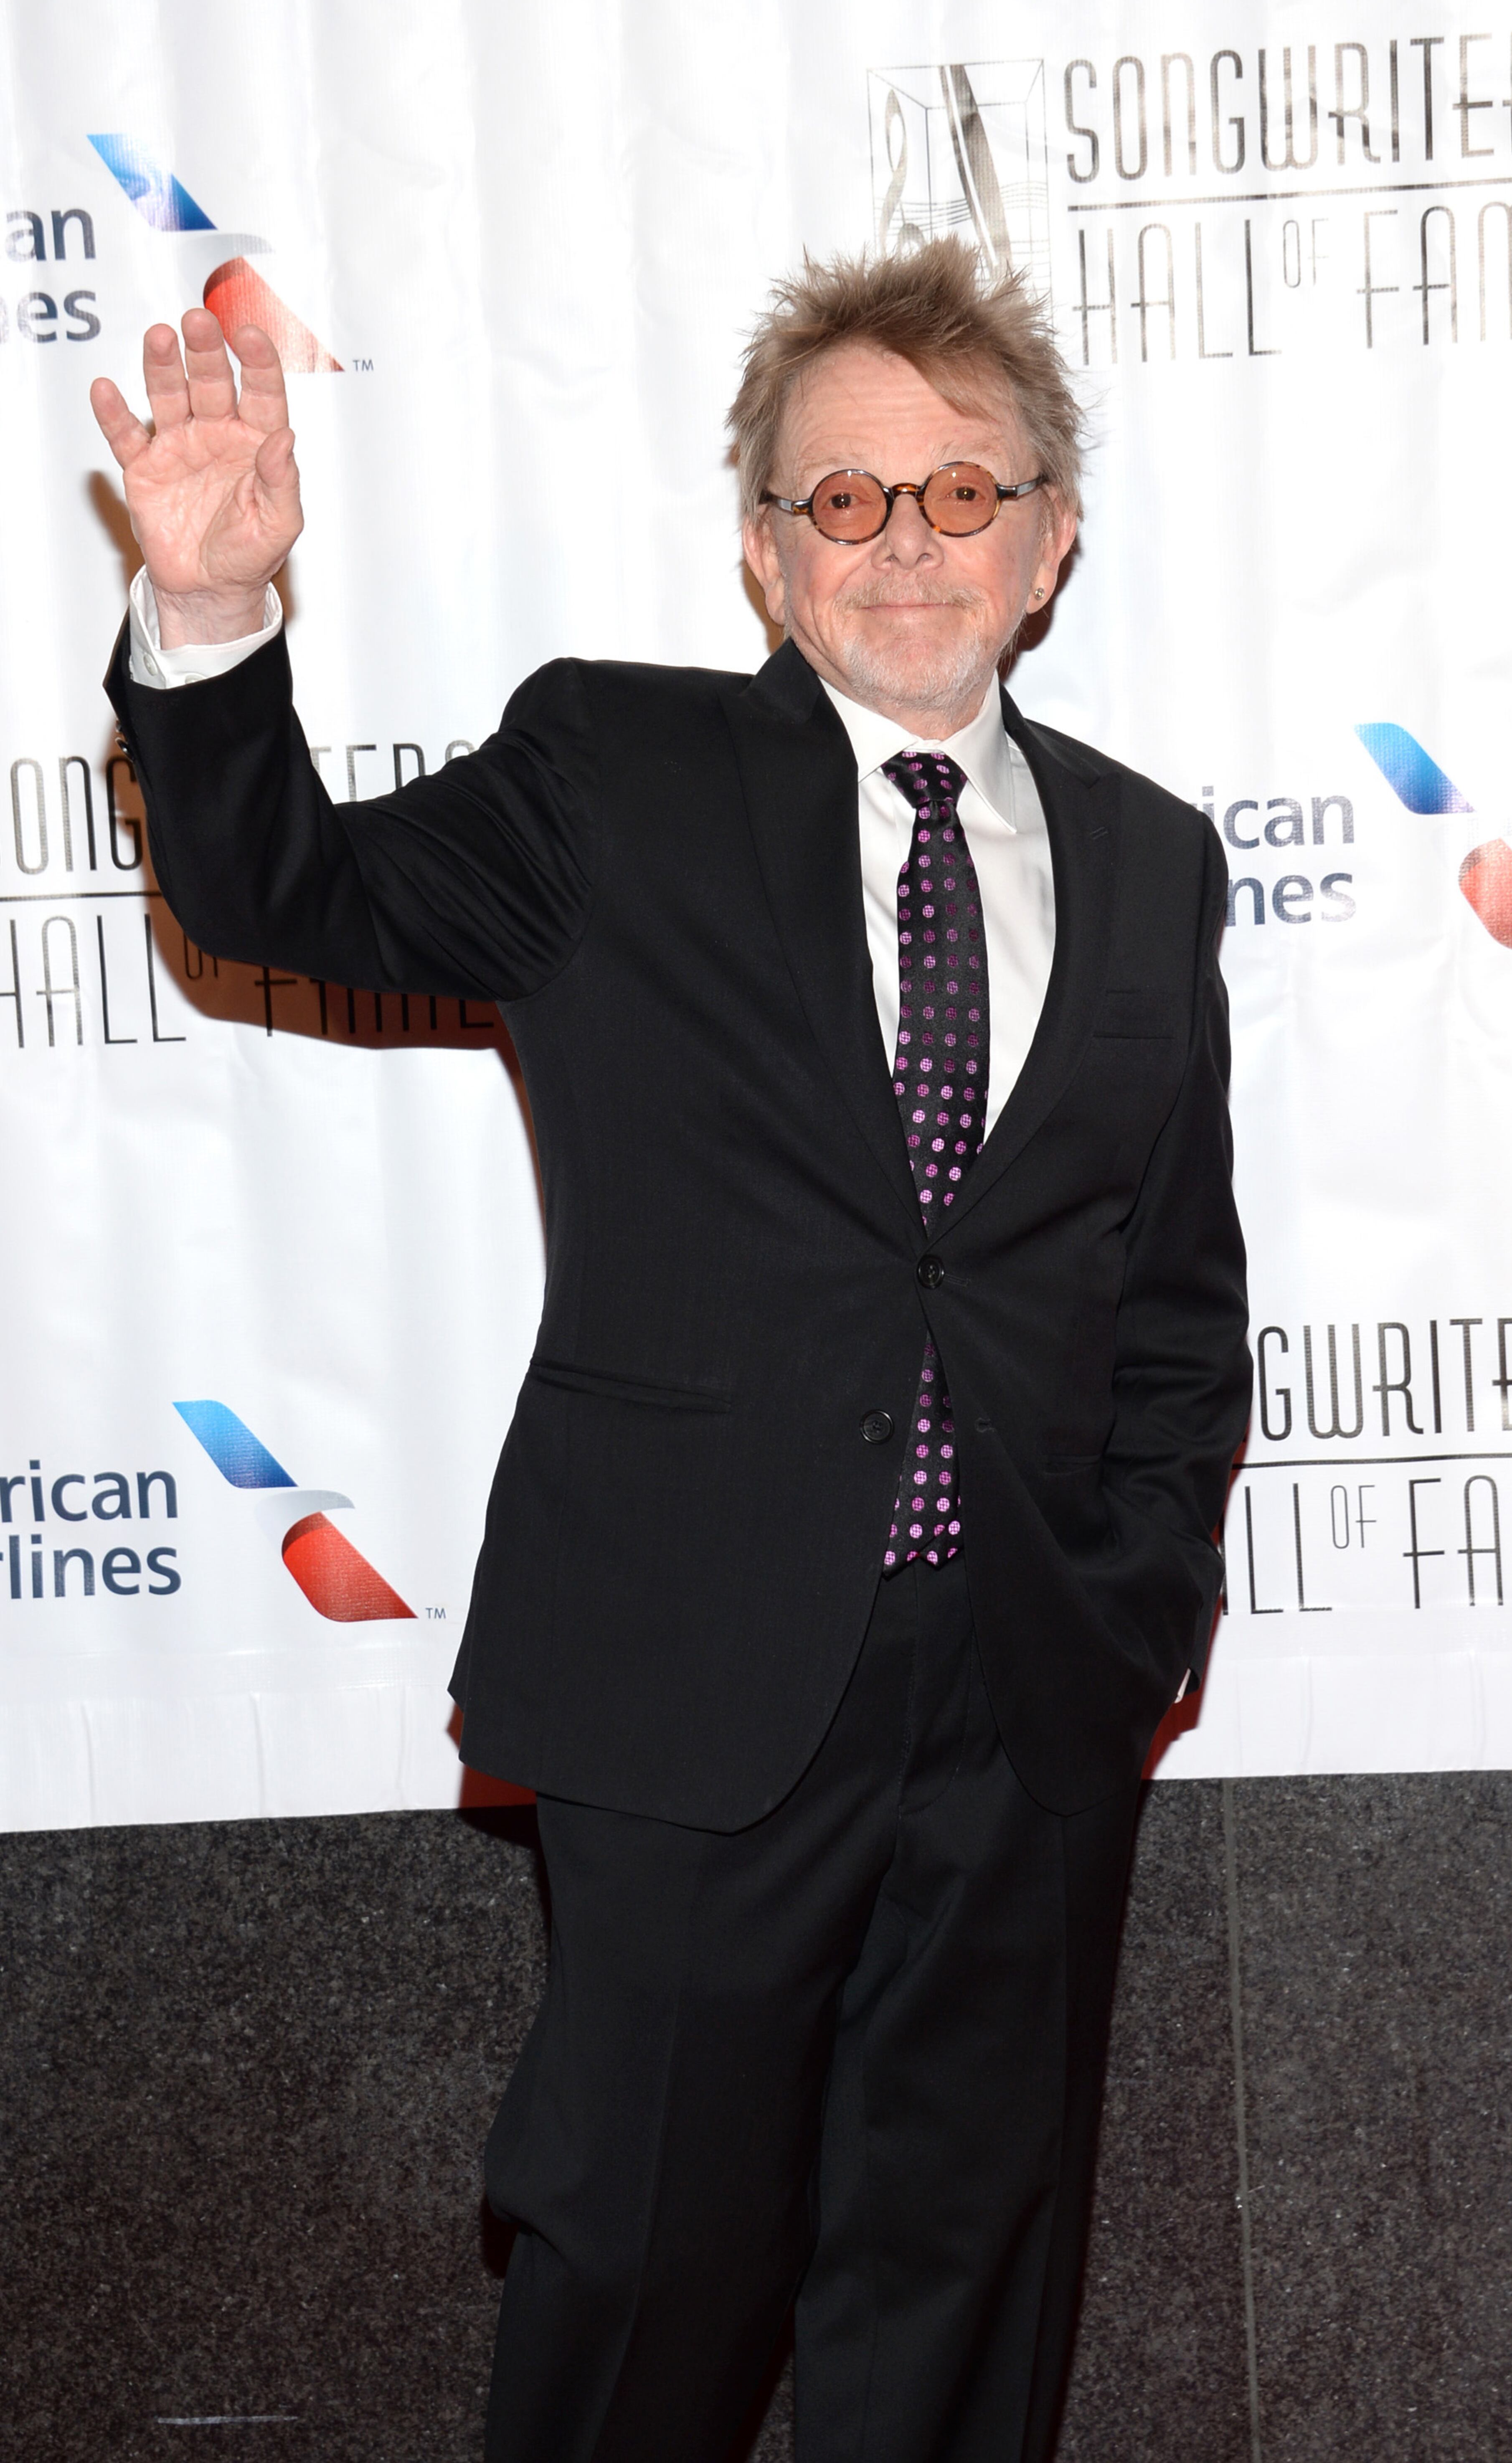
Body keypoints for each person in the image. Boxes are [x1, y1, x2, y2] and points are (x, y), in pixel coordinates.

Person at [92, 236, 1250, 2463]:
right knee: (645, 2295)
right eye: (844, 500)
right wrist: (216, 623)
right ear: (760, 547)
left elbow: (1180, 1296)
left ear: (1048, 542)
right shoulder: (612, 770)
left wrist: (1138, 1619)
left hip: (1026, 1709)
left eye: (961, 494)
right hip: (693, 1696)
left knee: (964, 2301)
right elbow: (279, 900)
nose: (905, 545)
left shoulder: (1154, 860)